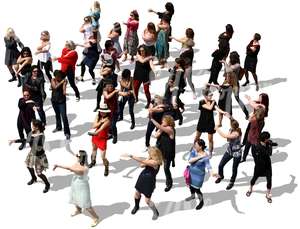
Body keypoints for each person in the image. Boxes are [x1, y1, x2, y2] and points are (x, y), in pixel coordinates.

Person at [53, 150, 100, 227]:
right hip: (75, 183)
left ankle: (96, 218)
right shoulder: (78, 162)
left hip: (83, 186)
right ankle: (78, 210)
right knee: (75, 198)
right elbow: (74, 161)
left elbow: (69, 168)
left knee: (86, 204)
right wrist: (75, 154)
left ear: (81, 158)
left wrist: (58, 165)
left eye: (78, 156)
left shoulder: (84, 168)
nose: (76, 157)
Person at [10, 119, 50, 193]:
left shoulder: (41, 136)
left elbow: (38, 146)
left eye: (33, 126)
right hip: (32, 154)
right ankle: (33, 178)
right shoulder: (31, 133)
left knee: (39, 173)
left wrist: (31, 140)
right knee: (28, 166)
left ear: (37, 127)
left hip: (39, 156)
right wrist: (15, 141)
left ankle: (47, 184)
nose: (32, 127)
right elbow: (26, 140)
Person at [125, 147, 163, 220]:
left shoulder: (155, 162)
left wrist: (131, 156)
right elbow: (141, 166)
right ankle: (136, 206)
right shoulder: (151, 160)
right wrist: (148, 158)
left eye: (149, 153)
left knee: (147, 200)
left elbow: (142, 162)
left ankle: (155, 212)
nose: (148, 154)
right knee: (137, 193)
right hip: (142, 178)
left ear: (153, 155)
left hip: (149, 182)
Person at [185, 139, 217, 210]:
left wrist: (212, 173)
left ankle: (201, 201)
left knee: (197, 189)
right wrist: (200, 156)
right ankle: (192, 196)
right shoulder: (194, 151)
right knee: (191, 186)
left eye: (196, 145)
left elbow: (208, 166)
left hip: (198, 176)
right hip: (191, 174)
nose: (194, 146)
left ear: (200, 146)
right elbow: (190, 161)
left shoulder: (206, 156)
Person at [246, 132, 276, 203]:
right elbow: (269, 153)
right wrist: (270, 146)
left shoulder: (266, 142)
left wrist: (271, 144)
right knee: (254, 178)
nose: (269, 139)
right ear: (264, 139)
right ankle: (250, 189)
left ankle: (268, 194)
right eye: (268, 138)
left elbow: (271, 144)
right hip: (259, 166)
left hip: (267, 166)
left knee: (269, 180)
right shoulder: (258, 146)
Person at [195, 88, 226, 156]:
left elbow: (218, 109)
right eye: (210, 95)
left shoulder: (213, 102)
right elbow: (209, 108)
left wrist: (223, 112)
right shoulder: (201, 102)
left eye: (212, 95)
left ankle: (210, 152)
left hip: (210, 122)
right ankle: (195, 149)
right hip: (202, 122)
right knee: (197, 137)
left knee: (210, 139)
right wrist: (213, 102)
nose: (211, 97)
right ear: (205, 96)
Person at [215, 117, 242, 190]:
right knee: (220, 165)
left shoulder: (236, 133)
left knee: (234, 168)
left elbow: (225, 136)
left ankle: (232, 182)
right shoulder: (231, 129)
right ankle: (221, 176)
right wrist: (228, 116)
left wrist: (217, 128)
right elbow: (228, 140)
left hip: (237, 153)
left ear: (233, 126)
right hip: (229, 151)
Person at [220, 51, 249, 120]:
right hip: (227, 82)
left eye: (230, 57)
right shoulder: (230, 63)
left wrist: (225, 63)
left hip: (234, 84)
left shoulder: (237, 65)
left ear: (234, 58)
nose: (229, 58)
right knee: (224, 97)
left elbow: (228, 70)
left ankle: (246, 113)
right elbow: (225, 72)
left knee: (237, 98)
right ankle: (223, 111)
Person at [241, 93, 269, 162]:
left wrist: (249, 99)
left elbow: (253, 105)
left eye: (260, 97)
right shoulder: (260, 103)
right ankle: (244, 157)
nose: (258, 98)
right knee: (249, 137)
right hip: (255, 122)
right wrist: (253, 100)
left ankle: (257, 157)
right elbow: (254, 103)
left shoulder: (262, 106)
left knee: (254, 138)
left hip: (258, 123)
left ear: (263, 99)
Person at [151, 115, 175, 192]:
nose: (162, 122)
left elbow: (159, 127)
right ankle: (151, 181)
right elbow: (156, 135)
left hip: (167, 152)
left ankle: (169, 183)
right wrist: (161, 129)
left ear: (168, 122)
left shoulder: (171, 129)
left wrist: (151, 119)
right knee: (156, 167)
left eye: (163, 121)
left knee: (166, 169)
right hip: (160, 151)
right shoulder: (162, 128)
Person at [171, 28, 196, 99]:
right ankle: (180, 90)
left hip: (188, 65)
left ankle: (193, 92)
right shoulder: (185, 39)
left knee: (189, 80)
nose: (186, 34)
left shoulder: (191, 41)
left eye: (187, 33)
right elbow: (181, 40)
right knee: (181, 78)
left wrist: (174, 38)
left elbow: (185, 42)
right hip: (182, 61)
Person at [87, 103, 111, 177]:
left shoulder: (108, 120)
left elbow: (100, 130)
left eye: (104, 111)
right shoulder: (98, 116)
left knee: (103, 157)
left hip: (102, 138)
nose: (102, 112)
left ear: (107, 112)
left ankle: (106, 167)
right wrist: (100, 121)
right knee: (94, 149)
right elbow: (94, 126)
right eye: (101, 111)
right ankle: (93, 161)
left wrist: (93, 133)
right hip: (95, 137)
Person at [51, 70, 71, 140]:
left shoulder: (64, 81)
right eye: (57, 76)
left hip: (61, 101)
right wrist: (61, 82)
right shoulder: (52, 80)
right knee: (57, 114)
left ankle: (67, 133)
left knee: (64, 116)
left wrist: (65, 92)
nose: (58, 78)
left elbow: (64, 89)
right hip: (54, 100)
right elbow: (55, 87)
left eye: (59, 76)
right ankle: (58, 127)